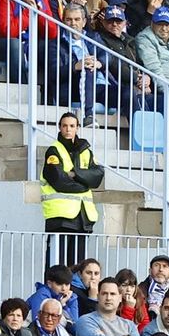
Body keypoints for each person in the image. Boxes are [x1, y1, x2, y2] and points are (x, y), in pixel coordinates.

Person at [40, 112, 104, 269]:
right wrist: (84, 183)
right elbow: (59, 181)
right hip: (60, 217)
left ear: (77, 128)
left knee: (78, 268)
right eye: (64, 126)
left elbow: (97, 176)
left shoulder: (86, 151)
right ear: (60, 128)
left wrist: (75, 174)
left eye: (72, 126)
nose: (68, 129)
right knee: (57, 267)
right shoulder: (54, 150)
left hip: (83, 217)